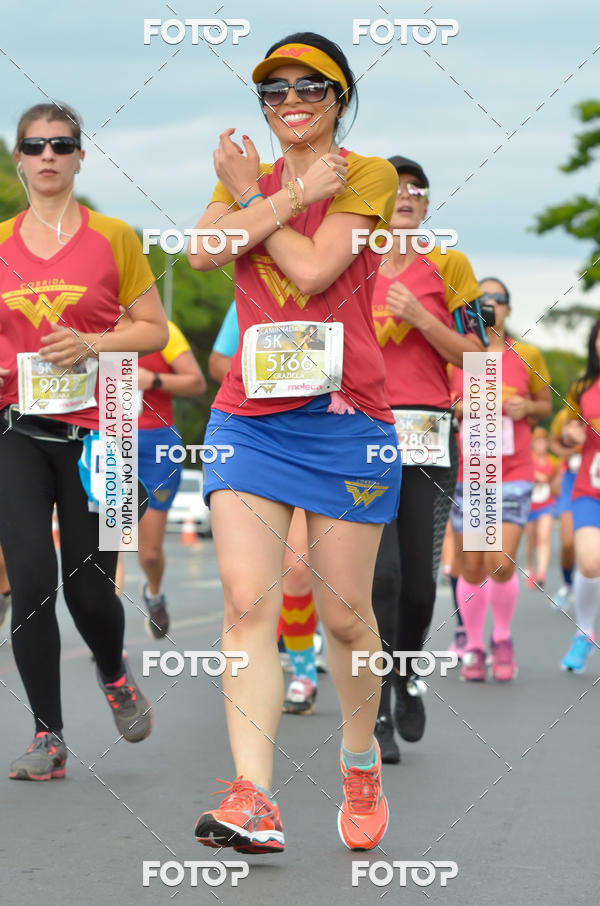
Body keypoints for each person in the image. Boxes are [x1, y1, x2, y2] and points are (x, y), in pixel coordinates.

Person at [188, 32, 401, 852]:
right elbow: (206, 250)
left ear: (339, 97)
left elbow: (314, 270)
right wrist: (268, 195)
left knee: (347, 618)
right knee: (248, 601)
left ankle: (358, 763)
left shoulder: (368, 173)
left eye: (309, 87)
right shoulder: (244, 180)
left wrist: (260, 204)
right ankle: (253, 797)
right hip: (249, 416)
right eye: (273, 92)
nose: (290, 103)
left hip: (348, 421)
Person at [0, 102, 168, 781]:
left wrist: (93, 343)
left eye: (61, 145)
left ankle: (113, 669)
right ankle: (49, 736)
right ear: (18, 158)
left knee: (90, 590)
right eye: (35, 146)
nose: (47, 156)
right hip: (17, 431)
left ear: (78, 157)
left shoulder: (115, 238)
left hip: (102, 433)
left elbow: (152, 331)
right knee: (32, 583)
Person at [370, 156, 487, 764]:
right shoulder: (348, 263)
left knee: (418, 581)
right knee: (380, 577)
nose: (408, 196)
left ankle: (407, 671)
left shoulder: (450, 266)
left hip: (428, 434)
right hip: (360, 434)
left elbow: (476, 356)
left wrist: (421, 318)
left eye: (419, 189)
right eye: (396, 189)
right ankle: (380, 709)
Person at [209, 301, 327, 713]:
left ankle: (304, 670)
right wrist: (268, 370)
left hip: (323, 435)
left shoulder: (339, 283)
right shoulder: (250, 290)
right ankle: (296, 669)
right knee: (255, 588)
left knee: (298, 571)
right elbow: (219, 360)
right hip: (260, 436)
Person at [454, 278, 552, 681]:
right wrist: (460, 408)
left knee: (501, 561)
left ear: (509, 309)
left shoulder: (526, 353)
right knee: (474, 566)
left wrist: (525, 405)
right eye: (483, 299)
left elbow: (545, 404)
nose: (491, 304)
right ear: (471, 309)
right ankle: (475, 644)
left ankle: (503, 637)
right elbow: (445, 403)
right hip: (473, 471)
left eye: (499, 299)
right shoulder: (457, 354)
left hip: (513, 470)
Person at [135, 318, 206, 637]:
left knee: (149, 552)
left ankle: (154, 592)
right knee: (110, 544)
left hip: (156, 444)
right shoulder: (92, 323)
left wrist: (153, 380)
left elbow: (196, 383)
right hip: (107, 439)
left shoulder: (162, 329)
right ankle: (108, 639)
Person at [559, 319, 600, 672]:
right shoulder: (582, 389)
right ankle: (584, 633)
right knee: (589, 562)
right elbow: (563, 437)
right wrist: (570, 436)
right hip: (590, 490)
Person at [549, 407, 581, 610]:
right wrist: (567, 452)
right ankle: (568, 584)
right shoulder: (566, 414)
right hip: (572, 480)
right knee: (568, 542)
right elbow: (553, 441)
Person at [525, 428, 560, 590]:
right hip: (529, 505)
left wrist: (552, 484)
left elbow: (556, 484)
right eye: (537, 441)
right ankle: (530, 567)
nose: (540, 444)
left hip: (547, 503)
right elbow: (522, 476)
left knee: (543, 536)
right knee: (531, 539)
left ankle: (541, 573)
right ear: (533, 443)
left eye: (543, 441)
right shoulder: (528, 459)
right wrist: (535, 476)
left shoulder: (553, 461)